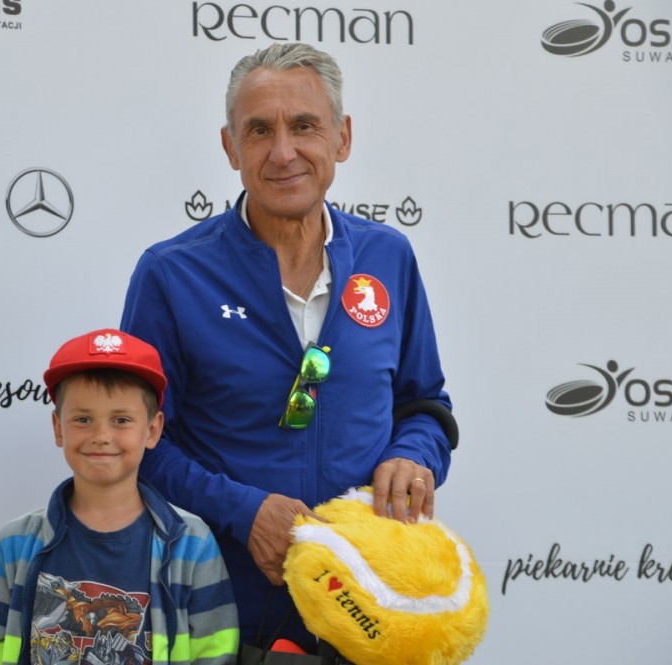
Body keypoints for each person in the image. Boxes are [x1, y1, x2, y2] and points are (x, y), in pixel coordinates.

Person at [119, 42, 457, 655]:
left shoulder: (389, 257)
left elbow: (425, 405)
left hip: (371, 613)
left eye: (304, 126)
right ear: (230, 147)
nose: (282, 152)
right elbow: (136, 443)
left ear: (342, 138)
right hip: (219, 615)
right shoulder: (171, 274)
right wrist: (243, 512)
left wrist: (414, 456)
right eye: (259, 130)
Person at [0, 329, 240, 665]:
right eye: (83, 419)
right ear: (58, 428)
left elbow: (215, 653)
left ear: (152, 430)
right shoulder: (11, 546)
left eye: (121, 420)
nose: (101, 436)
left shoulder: (192, 544)